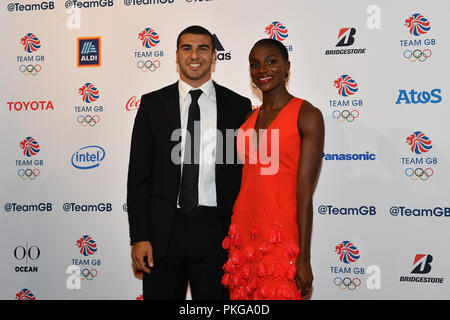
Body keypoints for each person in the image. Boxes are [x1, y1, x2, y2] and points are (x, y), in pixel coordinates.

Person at [127, 25, 252, 300]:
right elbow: (138, 176)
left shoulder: (238, 106)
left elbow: (246, 176)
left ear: (214, 56)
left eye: (203, 48)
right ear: (176, 55)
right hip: (162, 234)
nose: (195, 55)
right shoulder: (152, 105)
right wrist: (139, 236)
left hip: (217, 233)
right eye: (187, 48)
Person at [221, 39, 324, 300]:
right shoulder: (247, 119)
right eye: (254, 64)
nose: (262, 69)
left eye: (271, 61)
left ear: (286, 66)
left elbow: (304, 192)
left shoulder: (307, 115)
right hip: (244, 235)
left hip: (282, 236)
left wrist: (304, 257)